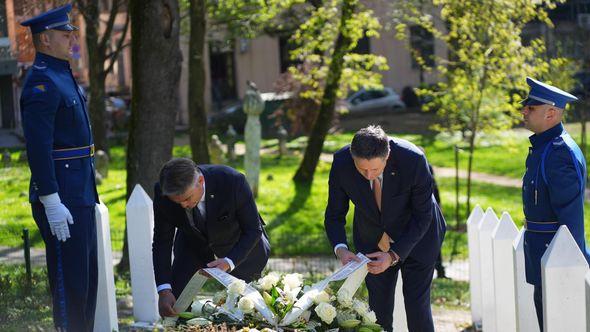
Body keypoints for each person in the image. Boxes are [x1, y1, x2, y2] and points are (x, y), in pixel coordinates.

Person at [19, 4, 99, 331]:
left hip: (79, 190)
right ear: (46, 39)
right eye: (64, 34)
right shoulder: (42, 81)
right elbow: (38, 147)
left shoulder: (61, 74)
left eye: (71, 33)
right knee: (71, 286)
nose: (71, 38)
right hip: (62, 196)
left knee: (87, 281)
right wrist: (50, 199)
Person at [324, 125, 446, 331]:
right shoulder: (342, 163)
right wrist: (341, 249)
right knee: (377, 313)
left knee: (417, 307)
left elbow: (422, 215)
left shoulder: (413, 160)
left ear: (387, 155)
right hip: (372, 239)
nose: (369, 175)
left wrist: (393, 255)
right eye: (362, 169)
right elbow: (334, 214)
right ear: (352, 157)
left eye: (375, 169)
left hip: (419, 237)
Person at [153, 158, 271, 318]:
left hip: (240, 246)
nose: (183, 206)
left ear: (200, 181)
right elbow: (162, 241)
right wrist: (164, 289)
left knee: (249, 310)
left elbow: (253, 230)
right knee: (176, 305)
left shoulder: (232, 181)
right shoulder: (162, 193)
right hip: (192, 243)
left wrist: (229, 261)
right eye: (177, 202)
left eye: (187, 198)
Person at [520, 77, 590, 330]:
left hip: (557, 259)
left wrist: (569, 267)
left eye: (531, 108)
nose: (523, 111)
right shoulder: (544, 147)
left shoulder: (558, 152)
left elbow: (570, 220)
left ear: (551, 113)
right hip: (545, 256)